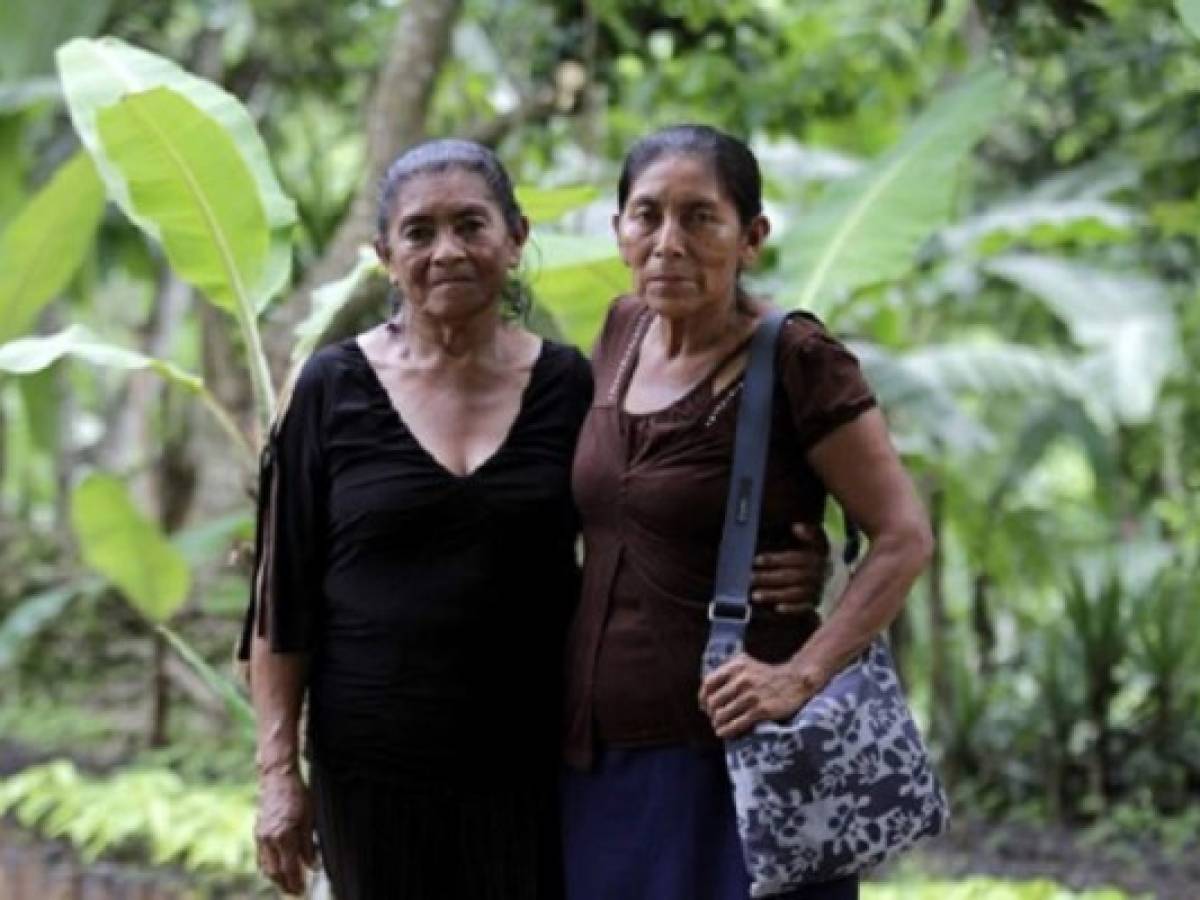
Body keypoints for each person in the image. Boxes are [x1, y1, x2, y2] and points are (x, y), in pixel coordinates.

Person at [240, 138, 827, 899]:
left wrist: (796, 556)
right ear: (386, 255)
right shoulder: (330, 389)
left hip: (537, 762)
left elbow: (644, 515)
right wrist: (279, 773)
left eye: (470, 225)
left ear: (515, 240)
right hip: (372, 768)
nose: (447, 250)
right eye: (419, 232)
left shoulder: (570, 384)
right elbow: (278, 600)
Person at [561, 125, 934, 900]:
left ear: (752, 237)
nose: (668, 242)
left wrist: (800, 674)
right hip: (603, 759)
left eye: (700, 217)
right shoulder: (619, 332)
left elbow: (903, 536)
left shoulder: (798, 358)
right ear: (619, 231)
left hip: (738, 766)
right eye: (646, 215)